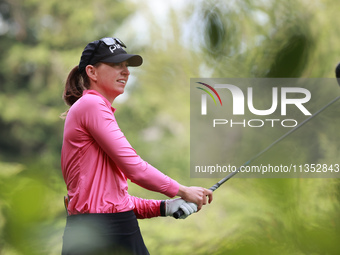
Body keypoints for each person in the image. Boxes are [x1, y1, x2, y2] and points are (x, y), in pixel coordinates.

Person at [60, 37, 213, 255]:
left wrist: (164, 207)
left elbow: (112, 201)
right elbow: (135, 169)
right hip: (108, 233)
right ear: (92, 72)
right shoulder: (92, 105)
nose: (126, 72)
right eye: (116, 65)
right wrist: (183, 191)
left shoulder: (89, 108)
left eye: (126, 66)